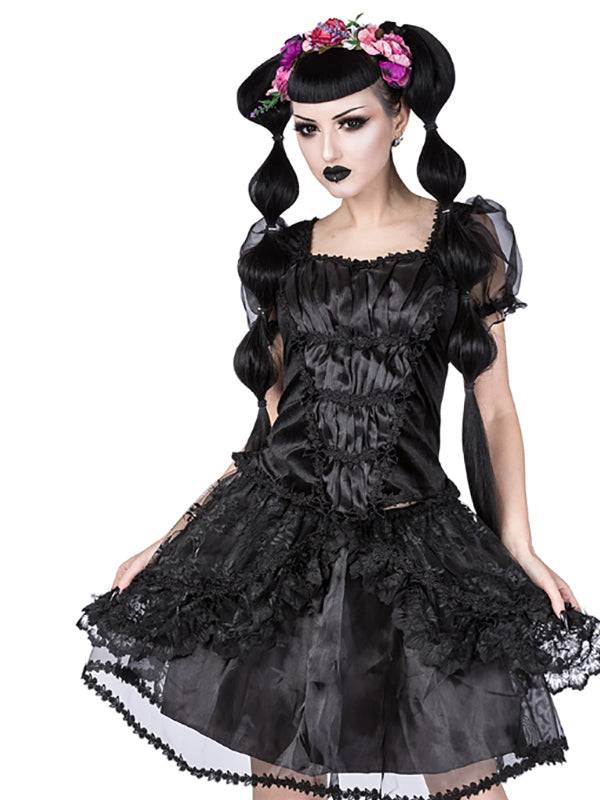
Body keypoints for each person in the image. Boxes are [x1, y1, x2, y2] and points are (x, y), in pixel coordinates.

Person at [75, 15, 600, 800]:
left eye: (350, 123)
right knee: (282, 780)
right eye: (307, 128)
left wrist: (517, 541)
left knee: (466, 773)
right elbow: (272, 431)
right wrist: (174, 537)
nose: (326, 150)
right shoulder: (280, 255)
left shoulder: (465, 240)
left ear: (399, 117)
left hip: (414, 539)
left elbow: (494, 406)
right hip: (280, 548)